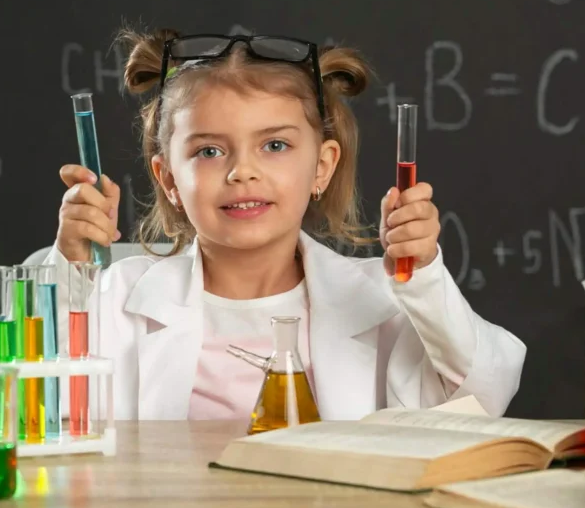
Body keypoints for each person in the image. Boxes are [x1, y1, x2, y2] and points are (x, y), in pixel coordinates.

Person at [47, 30, 526, 421]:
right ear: (169, 179)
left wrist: (423, 276)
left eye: (274, 146)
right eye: (209, 151)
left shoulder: (379, 301)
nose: (242, 172)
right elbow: (42, 402)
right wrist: (69, 270)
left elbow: (484, 395)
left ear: (322, 166)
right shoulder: (118, 301)